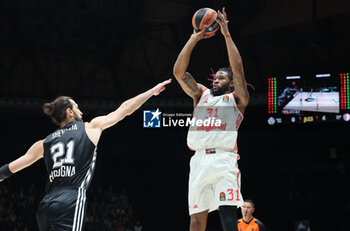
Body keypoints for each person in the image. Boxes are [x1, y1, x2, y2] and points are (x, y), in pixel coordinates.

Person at [0, 79, 171, 231]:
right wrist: (151, 92)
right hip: (70, 201)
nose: (81, 112)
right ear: (69, 111)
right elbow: (125, 109)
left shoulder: (44, 143)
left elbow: (11, 168)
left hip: (45, 205)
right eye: (77, 108)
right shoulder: (90, 127)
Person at [173, 7, 249, 231]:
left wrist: (226, 35)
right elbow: (179, 73)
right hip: (198, 162)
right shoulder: (200, 94)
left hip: (224, 161)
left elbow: (238, 68)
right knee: (196, 221)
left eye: (222, 77)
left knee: (227, 216)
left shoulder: (238, 99)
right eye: (214, 77)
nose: (216, 80)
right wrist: (193, 38)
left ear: (231, 83)